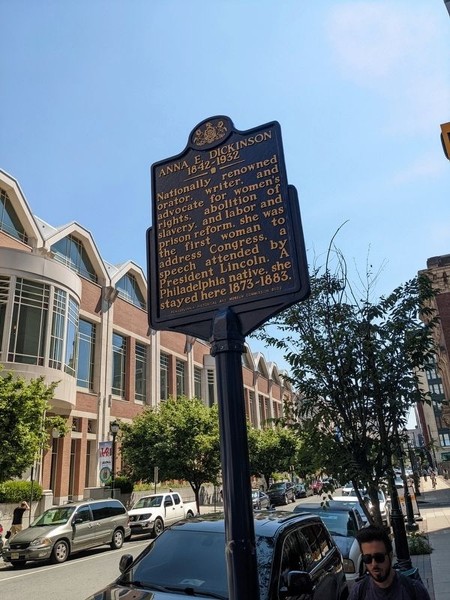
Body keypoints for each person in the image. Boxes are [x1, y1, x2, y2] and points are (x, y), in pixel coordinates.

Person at [349, 526, 431, 599]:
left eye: (379, 557)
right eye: (367, 558)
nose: (374, 564)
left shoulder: (414, 590)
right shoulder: (359, 592)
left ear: (390, 555)